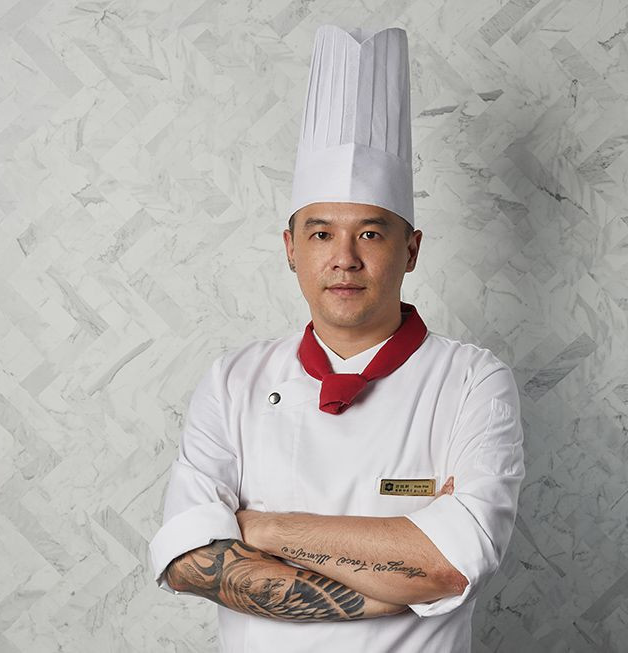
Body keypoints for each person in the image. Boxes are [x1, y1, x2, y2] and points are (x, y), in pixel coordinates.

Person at [148, 24, 525, 653]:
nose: (344, 258)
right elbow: (188, 561)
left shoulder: (472, 381)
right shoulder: (233, 380)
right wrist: (400, 576)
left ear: (411, 250)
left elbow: (447, 568)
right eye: (321, 233)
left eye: (370, 234)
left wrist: (257, 529)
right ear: (290, 249)